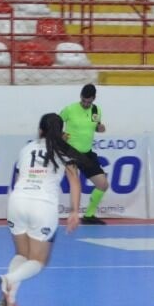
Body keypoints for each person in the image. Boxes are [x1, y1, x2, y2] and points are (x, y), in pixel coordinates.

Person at [0, 113, 82, 306]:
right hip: (42, 205)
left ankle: (9, 301)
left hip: (17, 201)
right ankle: (9, 279)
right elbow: (75, 184)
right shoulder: (65, 151)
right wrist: (75, 211)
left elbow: (18, 179)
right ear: (61, 131)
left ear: (40, 130)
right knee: (38, 261)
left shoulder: (27, 148)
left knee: (22, 254)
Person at [59, 83, 110, 225]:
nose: (86, 104)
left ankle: (89, 215)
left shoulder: (96, 110)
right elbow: (54, 124)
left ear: (94, 99)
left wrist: (101, 128)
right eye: (84, 101)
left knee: (103, 184)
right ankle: (74, 214)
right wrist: (61, 134)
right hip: (70, 153)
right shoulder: (69, 109)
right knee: (76, 185)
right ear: (80, 97)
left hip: (87, 153)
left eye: (89, 101)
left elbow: (97, 127)